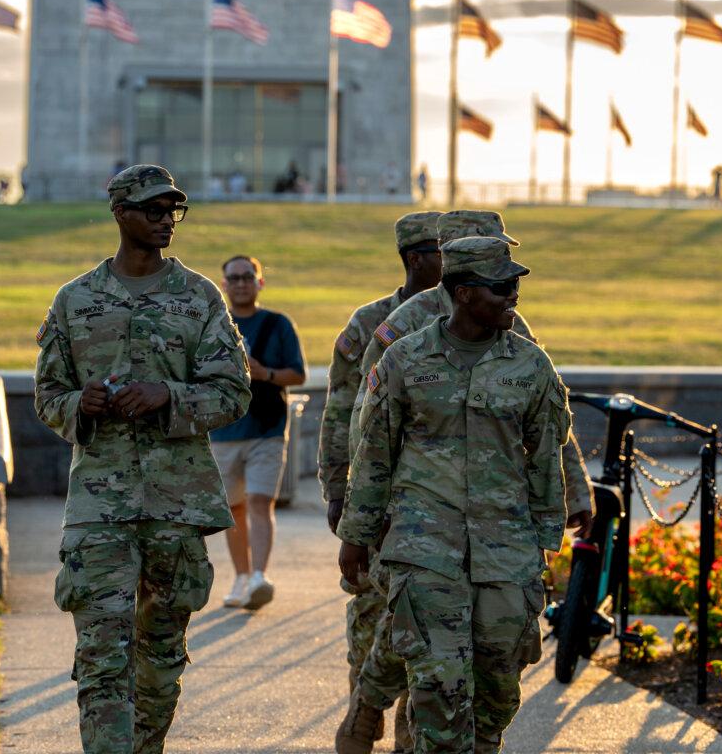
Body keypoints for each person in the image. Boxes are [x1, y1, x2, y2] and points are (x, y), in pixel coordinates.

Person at [336, 211, 593, 754]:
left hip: (505, 547)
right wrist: (356, 526)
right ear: (464, 286)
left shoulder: (526, 358)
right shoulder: (403, 344)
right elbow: (366, 436)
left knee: (497, 686)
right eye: (501, 282)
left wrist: (557, 523)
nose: (513, 293)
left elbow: (549, 446)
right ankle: (379, 713)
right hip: (422, 540)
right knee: (438, 682)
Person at [34, 163, 250, 753]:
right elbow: (48, 397)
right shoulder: (75, 300)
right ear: (120, 213)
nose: (165, 221)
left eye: (172, 211)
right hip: (99, 510)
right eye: (153, 210)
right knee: (101, 657)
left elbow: (233, 392)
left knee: (159, 659)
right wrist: (81, 404)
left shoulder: (199, 297)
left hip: (177, 508)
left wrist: (168, 396)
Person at [317, 210, 440, 747]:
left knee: (429, 629)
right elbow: (341, 409)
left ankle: (412, 736)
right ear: (416, 259)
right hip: (378, 502)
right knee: (371, 617)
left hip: (433, 503)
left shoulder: (478, 317)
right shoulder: (371, 324)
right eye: (442, 252)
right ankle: (362, 717)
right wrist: (337, 489)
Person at [211, 255, 306, 610]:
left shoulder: (278, 324)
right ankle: (241, 576)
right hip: (222, 432)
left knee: (259, 502)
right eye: (234, 278)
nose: (241, 283)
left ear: (259, 282)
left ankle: (258, 577)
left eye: (247, 277)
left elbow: (297, 374)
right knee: (233, 507)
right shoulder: (214, 326)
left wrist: (264, 373)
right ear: (224, 285)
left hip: (267, 431)